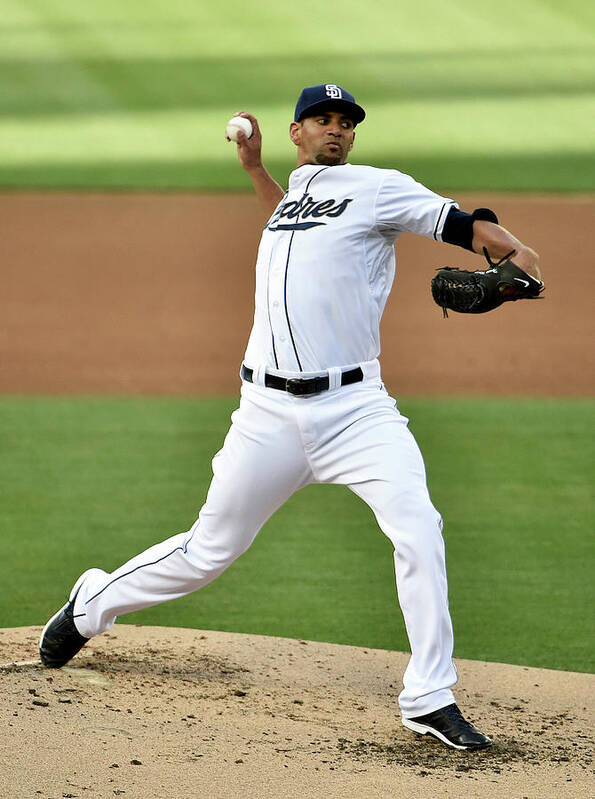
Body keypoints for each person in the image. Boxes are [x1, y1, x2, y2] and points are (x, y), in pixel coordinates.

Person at [40, 83, 541, 751]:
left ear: (352, 136)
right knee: (206, 552)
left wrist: (513, 262)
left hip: (357, 411)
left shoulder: (378, 186)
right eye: (321, 119)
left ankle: (428, 695)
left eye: (344, 122)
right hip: (266, 417)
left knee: (418, 529)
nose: (334, 129)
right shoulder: (297, 195)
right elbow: (291, 226)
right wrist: (253, 170)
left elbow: (472, 229)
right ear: (296, 132)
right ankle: (91, 602)